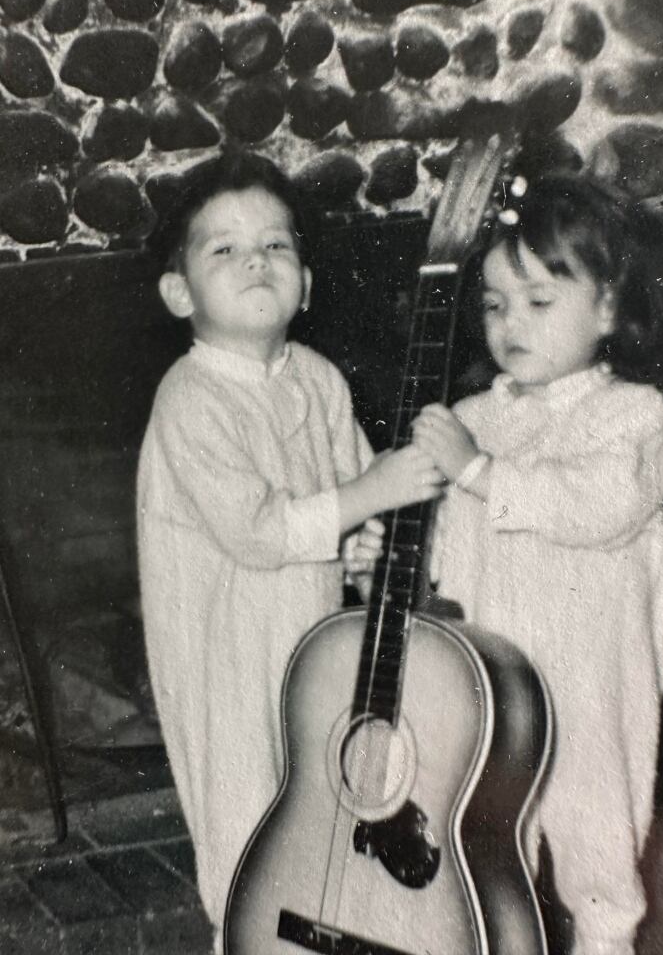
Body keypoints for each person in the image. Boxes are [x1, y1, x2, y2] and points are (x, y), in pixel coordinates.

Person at [136, 151, 443, 950]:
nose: (256, 262)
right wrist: (371, 493)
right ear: (179, 292)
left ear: (305, 283)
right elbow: (262, 531)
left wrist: (366, 540)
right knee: (247, 824)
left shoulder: (317, 379)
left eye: (276, 245)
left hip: (311, 647)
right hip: (226, 659)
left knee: (321, 809)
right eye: (224, 249)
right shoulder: (189, 398)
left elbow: (346, 498)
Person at [413, 173, 663, 955]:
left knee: (594, 838)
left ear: (606, 308)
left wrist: (479, 474)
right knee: (487, 841)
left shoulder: (631, 417)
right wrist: (395, 547)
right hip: (493, 690)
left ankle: (604, 943)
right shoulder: (471, 419)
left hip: (589, 686)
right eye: (495, 304)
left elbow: (596, 507)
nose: (510, 323)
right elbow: (446, 540)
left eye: (538, 301)